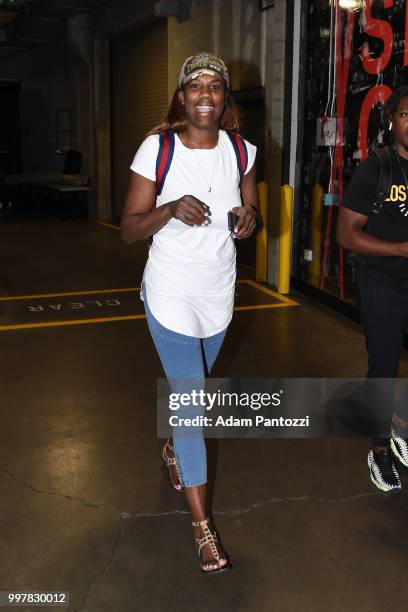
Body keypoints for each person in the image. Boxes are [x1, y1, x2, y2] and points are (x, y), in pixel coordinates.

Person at [120, 52, 259, 572]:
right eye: (195, 86)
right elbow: (131, 227)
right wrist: (170, 207)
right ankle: (203, 528)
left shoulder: (242, 151)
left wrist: (250, 218)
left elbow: (251, 209)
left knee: (194, 392)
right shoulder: (157, 149)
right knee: (192, 404)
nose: (205, 94)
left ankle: (177, 451)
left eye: (215, 86)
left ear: (225, 99)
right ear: (182, 97)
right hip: (171, 291)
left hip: (218, 293)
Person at [337, 85, 408, 493]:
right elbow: (347, 235)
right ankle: (380, 449)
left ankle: (398, 424)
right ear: (392, 120)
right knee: (383, 368)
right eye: (405, 114)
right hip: (382, 282)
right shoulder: (376, 169)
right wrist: (398, 249)